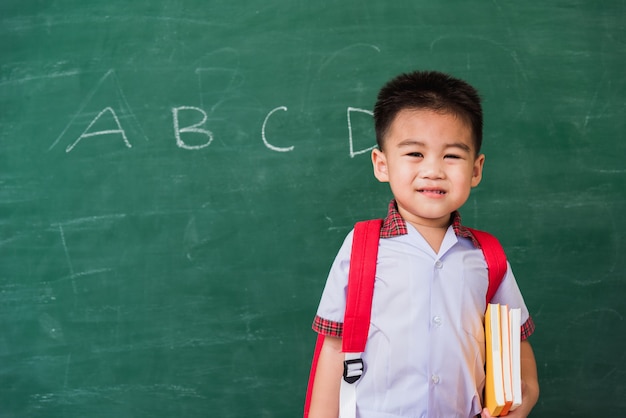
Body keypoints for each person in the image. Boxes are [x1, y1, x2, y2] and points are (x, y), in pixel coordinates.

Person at [308, 70, 539, 418]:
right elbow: (334, 347)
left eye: (452, 156)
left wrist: (524, 397)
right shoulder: (361, 248)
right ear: (382, 164)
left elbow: (515, 346)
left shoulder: (487, 256)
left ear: (476, 170)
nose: (433, 170)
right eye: (415, 154)